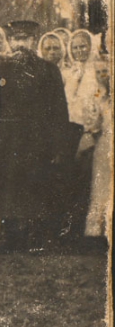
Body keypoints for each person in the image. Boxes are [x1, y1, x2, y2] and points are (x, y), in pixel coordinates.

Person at [0, 19, 72, 251]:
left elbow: (59, 110)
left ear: (33, 41)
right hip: (8, 141)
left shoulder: (48, 70)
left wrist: (59, 146)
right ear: (10, 41)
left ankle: (36, 236)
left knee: (37, 186)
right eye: (16, 39)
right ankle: (9, 236)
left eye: (25, 38)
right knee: (7, 187)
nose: (20, 43)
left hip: (38, 142)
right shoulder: (1, 70)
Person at [63, 28, 101, 236]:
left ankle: (87, 229)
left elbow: (99, 100)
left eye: (83, 47)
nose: (79, 51)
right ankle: (72, 229)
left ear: (91, 47)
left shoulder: (97, 71)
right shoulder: (70, 73)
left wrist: (91, 130)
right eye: (75, 47)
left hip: (90, 131)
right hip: (70, 131)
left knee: (88, 179)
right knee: (72, 179)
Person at [85, 57, 111, 243]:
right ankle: (97, 232)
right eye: (99, 72)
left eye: (106, 71)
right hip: (104, 145)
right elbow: (94, 123)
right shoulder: (98, 96)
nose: (103, 76)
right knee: (100, 186)